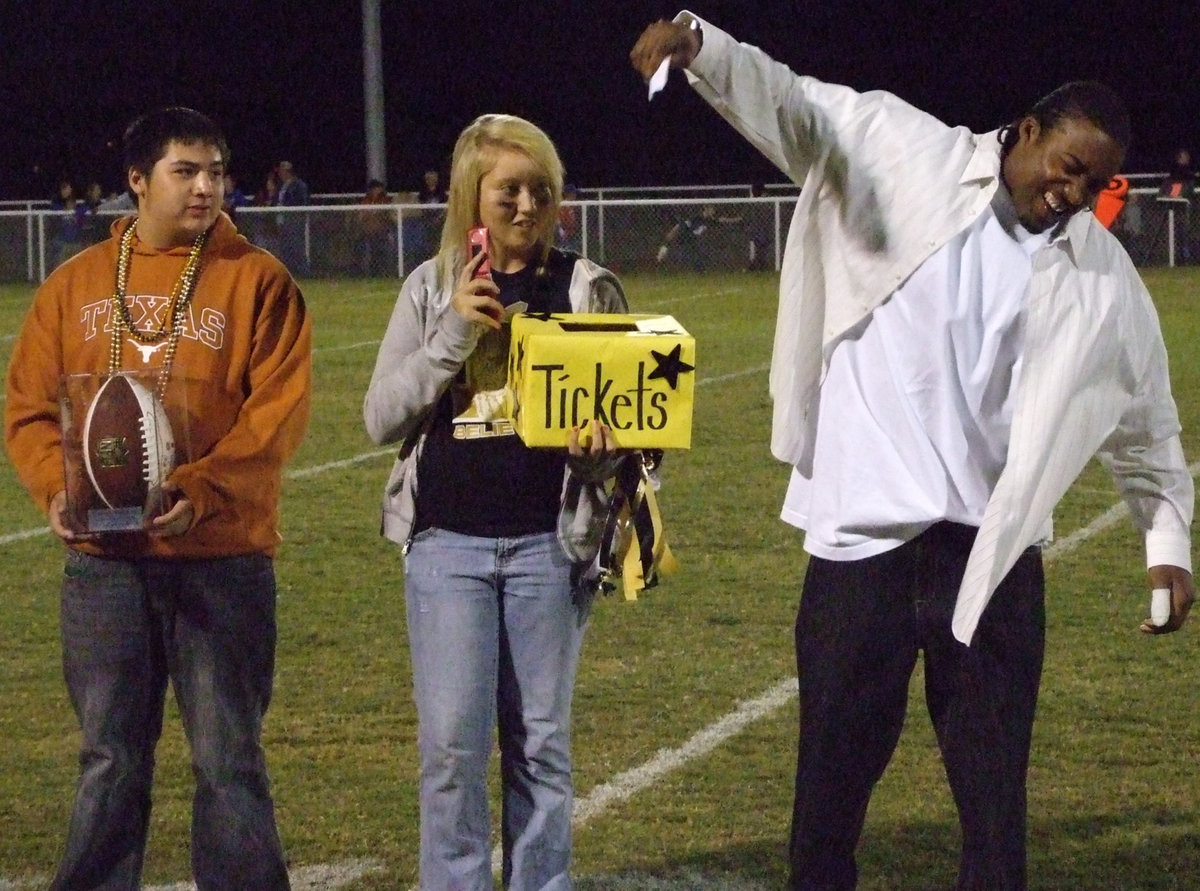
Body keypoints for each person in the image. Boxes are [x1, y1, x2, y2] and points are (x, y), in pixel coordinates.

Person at [631, 14, 1194, 890]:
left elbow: (1146, 415)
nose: (1075, 193)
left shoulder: (1101, 275)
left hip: (993, 560)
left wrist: (1166, 544)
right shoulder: (900, 149)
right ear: (1028, 131)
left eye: (1096, 183)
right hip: (865, 543)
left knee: (996, 809)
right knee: (829, 793)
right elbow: (788, 102)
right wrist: (702, 45)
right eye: (1069, 167)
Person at [5, 106, 311, 890]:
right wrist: (56, 488)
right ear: (138, 180)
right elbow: (29, 408)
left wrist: (201, 490)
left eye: (217, 171)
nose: (206, 187)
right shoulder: (73, 284)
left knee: (228, 758)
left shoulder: (259, 281)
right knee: (109, 758)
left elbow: (273, 421)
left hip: (221, 556)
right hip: (104, 563)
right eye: (186, 171)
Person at [363, 113, 628, 889]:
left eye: (540, 188)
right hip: (447, 546)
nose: (526, 204)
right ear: (471, 196)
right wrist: (451, 334)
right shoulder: (430, 287)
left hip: (551, 543)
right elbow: (380, 417)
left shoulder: (585, 286)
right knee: (451, 748)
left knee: (541, 745)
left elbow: (633, 430)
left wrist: (602, 450)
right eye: (508, 188)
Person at [275, 159, 310, 276]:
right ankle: (287, 271)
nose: (280, 174)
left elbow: (302, 203)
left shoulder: (299, 185)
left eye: (282, 171)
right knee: (285, 247)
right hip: (282, 221)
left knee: (297, 246)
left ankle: (304, 272)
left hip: (294, 221)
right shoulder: (281, 186)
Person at [356, 178, 396, 276]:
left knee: (382, 250)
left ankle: (383, 271)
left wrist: (375, 213)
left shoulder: (384, 200)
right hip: (368, 232)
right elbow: (362, 215)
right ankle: (369, 272)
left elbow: (386, 215)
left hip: (382, 232)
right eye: (377, 188)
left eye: (380, 188)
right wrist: (371, 214)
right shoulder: (366, 200)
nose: (379, 190)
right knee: (367, 250)